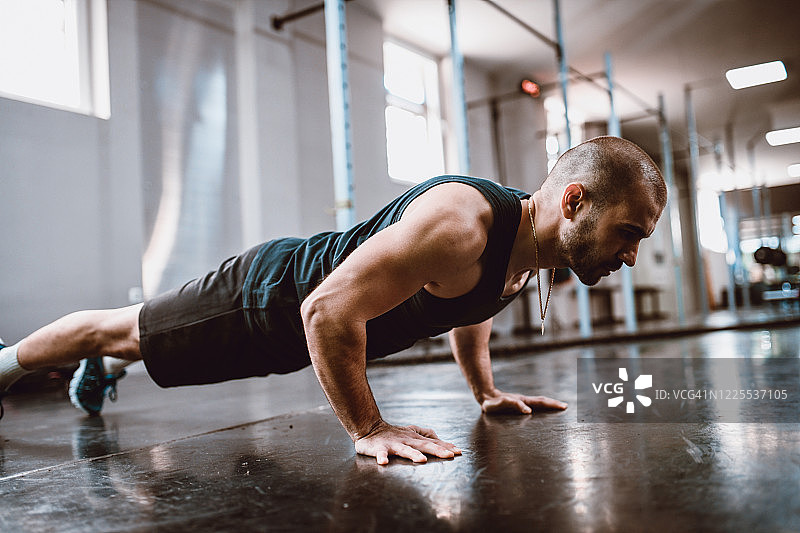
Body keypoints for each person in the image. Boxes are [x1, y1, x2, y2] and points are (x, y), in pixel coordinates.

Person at [0, 136, 666, 465]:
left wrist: (485, 392)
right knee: (114, 330)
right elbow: (324, 309)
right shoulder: (463, 224)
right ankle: (8, 362)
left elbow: (473, 311)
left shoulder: (523, 258)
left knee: (150, 349)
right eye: (628, 232)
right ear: (574, 201)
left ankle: (116, 367)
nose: (632, 255)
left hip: (297, 338)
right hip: (267, 297)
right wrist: (369, 429)